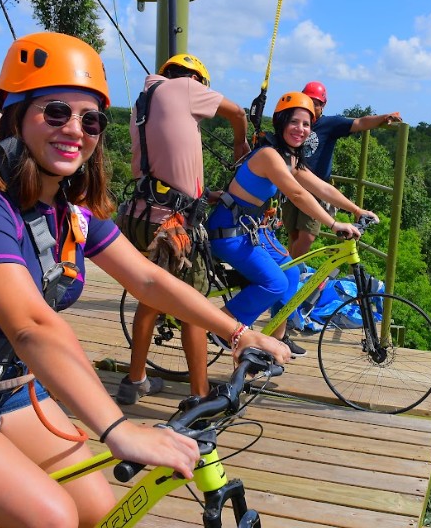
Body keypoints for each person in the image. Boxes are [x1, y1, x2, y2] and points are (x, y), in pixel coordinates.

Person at [0, 32, 289, 528]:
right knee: (52, 517)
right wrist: (117, 427)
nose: (75, 130)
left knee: (102, 513)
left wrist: (236, 332)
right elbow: (31, 326)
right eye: (55, 112)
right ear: (16, 113)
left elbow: (146, 278)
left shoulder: (66, 208)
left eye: (91, 120)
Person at [116, 53, 250, 404]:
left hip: (141, 215)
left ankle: (135, 380)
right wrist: (240, 143)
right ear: (196, 81)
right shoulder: (186, 88)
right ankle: (201, 396)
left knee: (151, 299)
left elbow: (167, 162)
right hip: (172, 228)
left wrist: (202, 193)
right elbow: (239, 114)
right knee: (193, 308)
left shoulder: (142, 103)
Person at [207, 91, 378, 358]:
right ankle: (221, 327)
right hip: (229, 231)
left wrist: (356, 210)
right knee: (274, 281)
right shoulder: (269, 156)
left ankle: (276, 339)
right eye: (294, 122)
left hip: (249, 230)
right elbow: (298, 194)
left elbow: (321, 187)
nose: (301, 129)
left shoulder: (289, 158)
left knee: (291, 272)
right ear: (281, 122)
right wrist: (334, 224)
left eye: (306, 124)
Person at [282, 80, 401, 258]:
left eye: (316, 103)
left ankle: (290, 271)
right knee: (293, 233)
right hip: (292, 183)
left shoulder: (330, 124)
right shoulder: (293, 123)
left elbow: (360, 122)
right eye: (308, 100)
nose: (312, 106)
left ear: (323, 105)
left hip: (317, 188)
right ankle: (291, 269)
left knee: (307, 235)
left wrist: (383, 118)